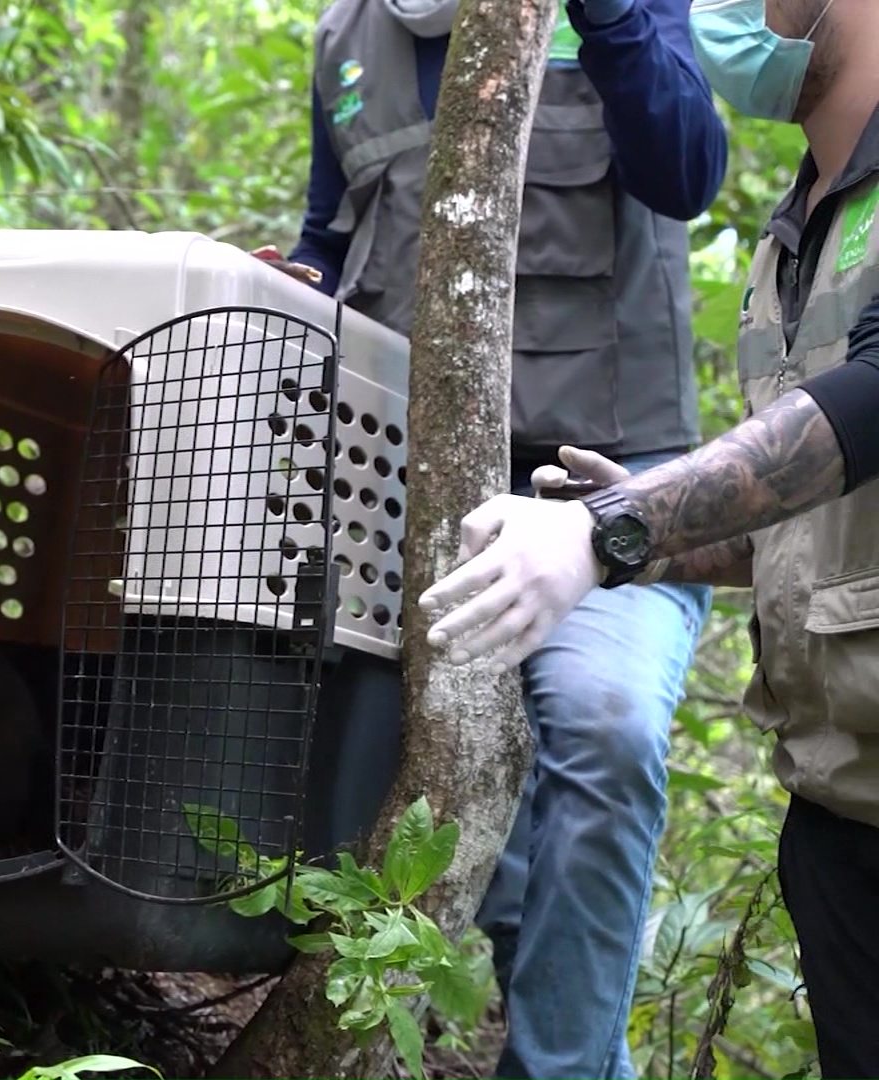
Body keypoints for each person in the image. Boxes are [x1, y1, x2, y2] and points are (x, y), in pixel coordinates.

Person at [263, 1, 731, 1077]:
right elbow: (329, 237)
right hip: (410, 484)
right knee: (442, 799)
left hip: (611, 482)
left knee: (606, 731)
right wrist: (299, 281)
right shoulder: (345, 37)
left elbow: (689, 170)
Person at [420, 0, 879, 1074]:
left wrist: (613, 536)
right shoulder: (796, 234)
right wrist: (649, 533)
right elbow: (807, 527)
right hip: (843, 808)